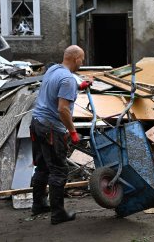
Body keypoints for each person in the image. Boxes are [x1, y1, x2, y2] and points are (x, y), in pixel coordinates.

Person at [29, 45, 86, 225]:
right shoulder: (68, 79)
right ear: (76, 59)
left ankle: (38, 205)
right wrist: (72, 131)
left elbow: (58, 87)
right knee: (59, 170)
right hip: (51, 129)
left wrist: (80, 85)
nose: (82, 63)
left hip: (36, 123)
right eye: (82, 60)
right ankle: (58, 213)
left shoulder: (53, 69)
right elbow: (63, 109)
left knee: (43, 167)